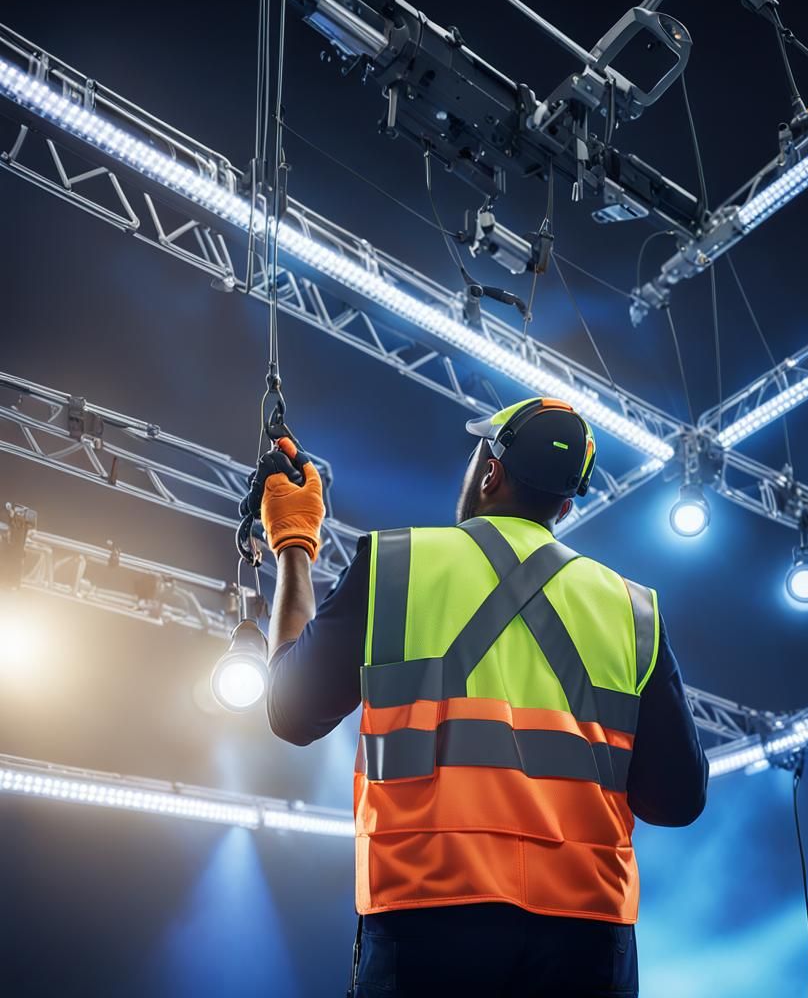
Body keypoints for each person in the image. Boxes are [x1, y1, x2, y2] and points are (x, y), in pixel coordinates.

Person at [252, 397, 708, 998]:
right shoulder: (634, 611)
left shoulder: (395, 565)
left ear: (489, 471)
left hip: (427, 919)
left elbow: (291, 708)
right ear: (566, 504)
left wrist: (292, 542)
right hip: (588, 940)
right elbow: (677, 800)